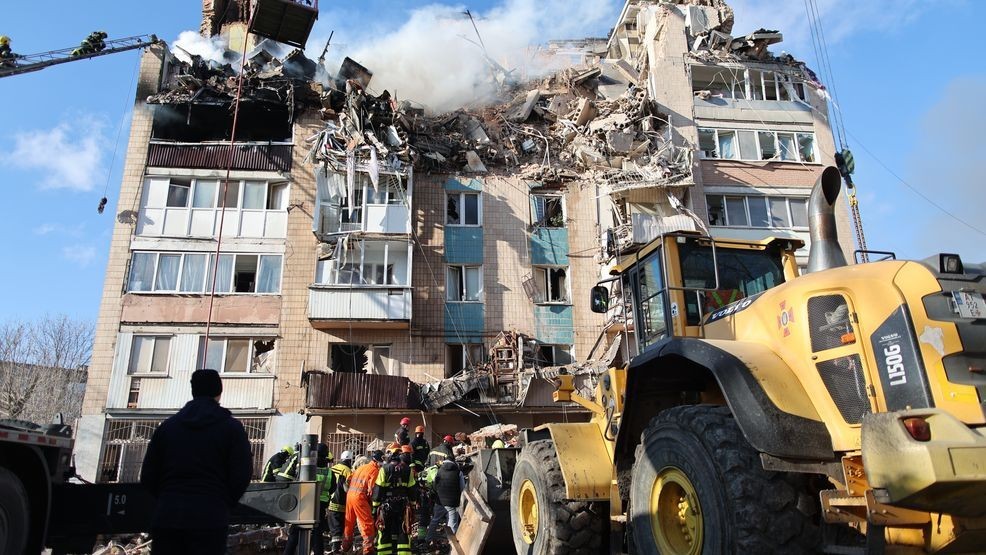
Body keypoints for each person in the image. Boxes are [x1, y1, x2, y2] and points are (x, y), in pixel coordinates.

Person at [140, 369, 252, 555]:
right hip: (209, 519)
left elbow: (148, 475)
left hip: (168, 518)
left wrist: (168, 499)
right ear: (219, 392)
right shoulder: (231, 429)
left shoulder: (168, 428)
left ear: (193, 391)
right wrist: (222, 503)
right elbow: (241, 474)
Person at [284, 443, 332, 555]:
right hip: (321, 505)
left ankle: (288, 553)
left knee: (296, 530)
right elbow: (332, 488)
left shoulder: (307, 467)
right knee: (317, 532)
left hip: (304, 502)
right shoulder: (329, 472)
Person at [373, 451, 416, 555]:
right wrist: (413, 504)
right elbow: (412, 489)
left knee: (384, 531)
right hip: (403, 506)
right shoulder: (407, 469)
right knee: (403, 530)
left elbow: (379, 489)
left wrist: (375, 506)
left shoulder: (384, 469)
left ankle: (383, 553)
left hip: (387, 506)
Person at [343, 450, 383, 555]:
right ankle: (368, 550)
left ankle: (345, 547)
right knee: (367, 524)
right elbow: (372, 490)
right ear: (379, 461)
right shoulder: (374, 470)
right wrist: (374, 504)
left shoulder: (362, 467)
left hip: (350, 495)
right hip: (360, 497)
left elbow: (348, 480)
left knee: (349, 522)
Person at [425, 459, 465, 545]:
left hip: (439, 501)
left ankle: (428, 539)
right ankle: (451, 544)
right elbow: (462, 488)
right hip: (452, 502)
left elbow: (435, 486)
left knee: (435, 520)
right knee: (452, 522)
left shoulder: (439, 471)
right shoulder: (458, 472)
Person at [327, 450, 353, 553]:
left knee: (333, 527)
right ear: (350, 460)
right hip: (340, 503)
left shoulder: (332, 468)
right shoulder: (348, 471)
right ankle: (336, 549)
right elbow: (348, 489)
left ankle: (333, 546)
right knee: (338, 527)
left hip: (329, 501)